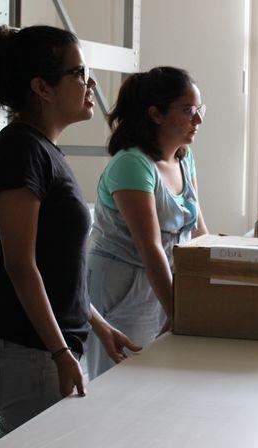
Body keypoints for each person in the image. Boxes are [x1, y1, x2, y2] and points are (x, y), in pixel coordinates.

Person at [0, 25, 141, 438]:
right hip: (30, 350)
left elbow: (57, 265)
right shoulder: (20, 153)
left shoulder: (42, 150)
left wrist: (96, 324)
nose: (89, 83)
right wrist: (59, 351)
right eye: (78, 73)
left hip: (48, 347)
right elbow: (20, 265)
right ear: (42, 88)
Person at [86, 66, 208, 379]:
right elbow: (149, 246)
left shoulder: (183, 156)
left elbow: (198, 229)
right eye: (188, 110)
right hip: (124, 285)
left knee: (163, 378)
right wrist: (178, 312)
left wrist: (205, 289)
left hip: (163, 280)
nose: (198, 120)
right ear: (156, 114)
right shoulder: (132, 164)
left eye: (199, 109)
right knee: (123, 379)